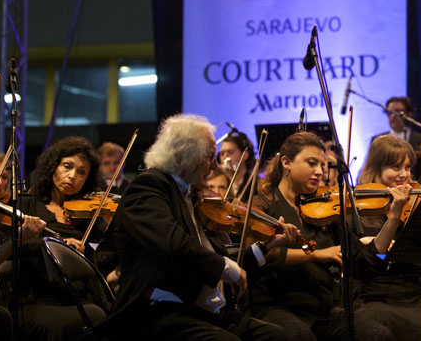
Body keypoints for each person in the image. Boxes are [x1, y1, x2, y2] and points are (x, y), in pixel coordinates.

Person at [102, 113, 291, 340]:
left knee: (278, 336)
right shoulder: (149, 187)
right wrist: (226, 268)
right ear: (185, 157)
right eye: (210, 157)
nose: (215, 165)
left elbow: (211, 253)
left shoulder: (190, 195)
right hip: (159, 313)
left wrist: (265, 246)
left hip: (202, 312)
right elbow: (173, 244)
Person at [251, 131, 408, 341]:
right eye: (311, 163)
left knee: (378, 335)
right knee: (301, 337)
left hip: (320, 310)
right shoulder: (264, 204)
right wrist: (318, 254)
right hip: (277, 306)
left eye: (322, 166)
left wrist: (394, 216)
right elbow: (262, 256)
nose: (319, 172)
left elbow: (365, 261)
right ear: (287, 162)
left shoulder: (324, 210)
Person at [354, 135, 421, 341]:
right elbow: (368, 263)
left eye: (407, 168)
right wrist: (394, 214)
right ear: (377, 168)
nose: (404, 175)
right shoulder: (358, 208)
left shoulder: (416, 203)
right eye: (395, 167)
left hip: (415, 291)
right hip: (375, 295)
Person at [19, 136, 109, 340]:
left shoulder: (88, 216)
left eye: (81, 172)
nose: (72, 176)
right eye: (67, 166)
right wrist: (59, 246)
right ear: (53, 166)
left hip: (79, 297)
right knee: (96, 316)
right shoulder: (29, 205)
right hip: (39, 299)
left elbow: (100, 261)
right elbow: (14, 248)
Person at [0, 150, 46, 339]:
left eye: (5, 177)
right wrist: (18, 238)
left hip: (2, 298)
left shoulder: (1, 214)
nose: (0, 182)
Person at [218, 130, 255, 199]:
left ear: (245, 155)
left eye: (230, 152)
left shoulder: (255, 184)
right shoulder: (217, 183)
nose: (225, 156)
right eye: (222, 154)